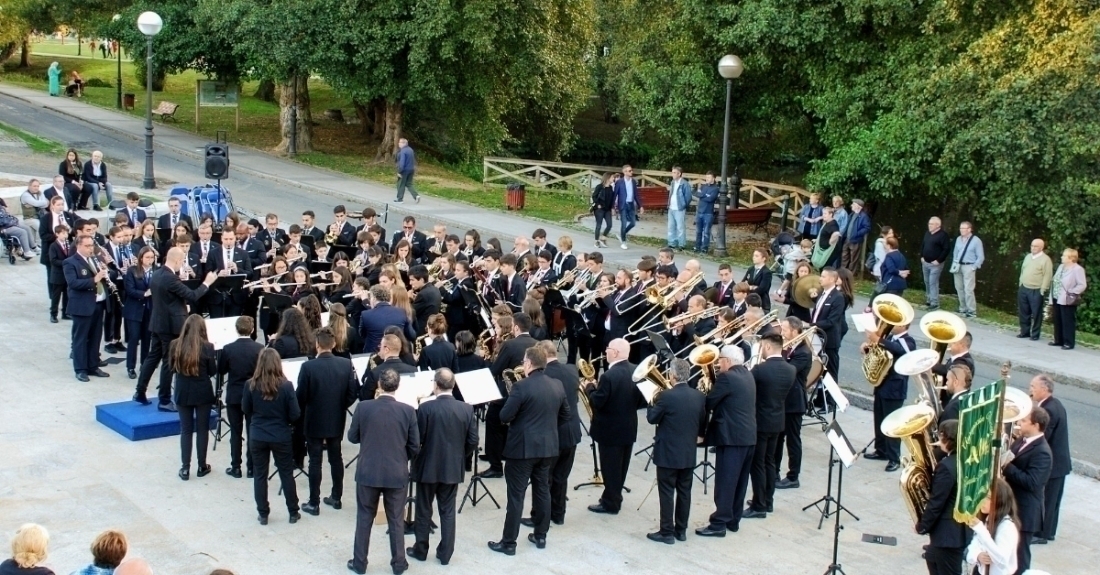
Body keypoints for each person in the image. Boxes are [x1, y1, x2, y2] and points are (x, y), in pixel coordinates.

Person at [489, 346, 570, 555]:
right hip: (548, 448)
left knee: (516, 497)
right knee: (542, 490)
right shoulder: (557, 385)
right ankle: (541, 535)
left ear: (528, 363)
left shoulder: (521, 387)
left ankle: (508, 543)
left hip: (522, 450)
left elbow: (505, 416)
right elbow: (565, 416)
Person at [347, 369, 420, 575]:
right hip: (396, 472)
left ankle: (359, 563)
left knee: (364, 517)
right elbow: (415, 446)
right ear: (397, 387)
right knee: (396, 519)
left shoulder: (364, 407)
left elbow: (352, 437)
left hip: (368, 470)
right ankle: (398, 564)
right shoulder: (407, 411)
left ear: (379, 384)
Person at [407, 368, 478, 565]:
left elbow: (417, 439)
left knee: (424, 509)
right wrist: (459, 456)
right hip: (452, 467)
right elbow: (472, 440)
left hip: (427, 466)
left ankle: (421, 549)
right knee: (447, 511)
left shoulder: (426, 408)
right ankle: (445, 553)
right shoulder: (466, 409)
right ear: (453, 385)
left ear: (436, 385)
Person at [134, 247, 217, 409]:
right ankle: (164, 400)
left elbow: (168, 298)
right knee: (168, 361)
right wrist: (207, 283)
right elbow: (192, 295)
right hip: (170, 326)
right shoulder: (171, 278)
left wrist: (180, 306)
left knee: (152, 358)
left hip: (158, 323)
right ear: (178, 260)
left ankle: (140, 391)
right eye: (182, 261)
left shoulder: (157, 273)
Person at [296, 327, 358, 516]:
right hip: (336, 417)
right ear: (333, 344)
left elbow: (301, 395)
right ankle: (336, 497)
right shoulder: (346, 364)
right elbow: (352, 393)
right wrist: (340, 405)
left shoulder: (308, 367)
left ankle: (314, 502)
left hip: (314, 418)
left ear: (317, 345)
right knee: (335, 458)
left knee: (315, 461)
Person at [645, 358, 706, 544]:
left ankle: (666, 532)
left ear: (672, 375)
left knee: (666, 492)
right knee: (684, 492)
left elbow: (652, 419)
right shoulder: (699, 396)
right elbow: (702, 422)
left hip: (667, 453)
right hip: (688, 453)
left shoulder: (665, 396)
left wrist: (650, 400)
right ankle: (681, 530)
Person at [697, 345, 756, 537]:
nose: (717, 363)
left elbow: (710, 401)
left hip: (731, 438)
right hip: (748, 437)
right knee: (740, 482)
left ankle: (718, 524)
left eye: (720, 359)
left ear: (728, 361)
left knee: (725, 482)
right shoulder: (747, 375)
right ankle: (732, 520)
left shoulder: (727, 377)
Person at [584, 338, 645, 514]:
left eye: (608, 348)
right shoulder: (636, 370)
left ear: (616, 353)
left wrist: (589, 387)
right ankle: (614, 496)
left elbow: (598, 402)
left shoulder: (608, 376)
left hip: (609, 429)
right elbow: (641, 401)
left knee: (610, 468)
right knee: (621, 467)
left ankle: (611, 503)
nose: (605, 351)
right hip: (628, 427)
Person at [242, 349, 302, 525]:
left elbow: (246, 409)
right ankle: (293, 511)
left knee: (260, 475)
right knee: (286, 473)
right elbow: (295, 413)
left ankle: (263, 513)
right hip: (280, 435)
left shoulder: (250, 385)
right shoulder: (286, 385)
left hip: (258, 434)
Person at [744, 333, 796, 519]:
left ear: (767, 347)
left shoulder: (760, 369)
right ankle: (768, 500)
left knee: (758, 465)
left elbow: (748, 389)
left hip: (760, 422)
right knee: (770, 463)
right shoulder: (790, 369)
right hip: (777, 421)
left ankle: (759, 504)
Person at [1001, 406, 1053, 575]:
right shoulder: (1022, 440)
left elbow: (1033, 482)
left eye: (1023, 421)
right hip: (1013, 508)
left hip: (1026, 513)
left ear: (1036, 425)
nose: (1019, 423)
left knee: (1020, 557)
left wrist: (1007, 466)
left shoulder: (1043, 452)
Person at [917, 420, 970, 575]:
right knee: (931, 557)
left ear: (948, 439)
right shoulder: (966, 458)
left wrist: (922, 525)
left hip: (948, 535)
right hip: (957, 530)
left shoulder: (946, 466)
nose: (939, 441)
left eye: (941, 437)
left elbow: (936, 502)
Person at [170, 315, 217, 481]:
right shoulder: (208, 347)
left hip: (183, 391)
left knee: (186, 429)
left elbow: (171, 368)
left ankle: (185, 467)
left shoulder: (175, 344)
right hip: (203, 391)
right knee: (203, 429)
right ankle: (202, 465)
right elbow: (212, 371)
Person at [862, 323, 915, 472]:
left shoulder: (908, 341)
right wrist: (868, 348)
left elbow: (901, 350)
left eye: (897, 323)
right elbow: (879, 353)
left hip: (895, 388)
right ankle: (881, 450)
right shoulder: (890, 337)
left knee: (892, 424)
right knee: (879, 419)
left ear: (904, 325)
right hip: (881, 383)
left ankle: (894, 458)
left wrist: (879, 340)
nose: (892, 325)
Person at [217, 316, 264, 479]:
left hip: (235, 395)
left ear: (236, 329)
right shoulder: (259, 348)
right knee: (252, 431)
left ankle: (235, 467)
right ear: (252, 330)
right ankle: (251, 467)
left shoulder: (228, 348)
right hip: (253, 394)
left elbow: (221, 370)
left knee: (235, 432)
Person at [63, 235, 111, 382]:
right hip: (82, 306)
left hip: (98, 303)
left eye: (92, 245)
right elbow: (73, 283)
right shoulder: (70, 262)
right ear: (79, 246)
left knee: (96, 337)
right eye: (87, 246)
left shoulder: (95, 259)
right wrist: (93, 280)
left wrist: (106, 272)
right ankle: (80, 369)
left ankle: (93, 365)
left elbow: (109, 276)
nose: (91, 249)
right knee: (81, 338)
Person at [1029, 374, 1070, 544]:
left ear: (1044, 389)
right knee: (1053, 500)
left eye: (1033, 386)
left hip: (1054, 465)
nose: (1030, 390)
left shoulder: (1049, 409)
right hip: (1060, 464)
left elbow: (1043, 436)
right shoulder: (1054, 404)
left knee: (1048, 499)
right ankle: (1049, 531)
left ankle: (1042, 534)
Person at [775, 317, 812, 489]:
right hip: (782, 399)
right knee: (777, 438)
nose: (782, 332)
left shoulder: (803, 352)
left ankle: (793, 476)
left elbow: (788, 371)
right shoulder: (788, 347)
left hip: (794, 402)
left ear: (795, 331)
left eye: (784, 329)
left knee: (793, 440)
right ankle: (774, 471)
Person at [965, 478, 1019, 575]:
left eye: (988, 497)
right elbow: (974, 545)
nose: (982, 500)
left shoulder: (1007, 526)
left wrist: (981, 529)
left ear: (999, 500)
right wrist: (977, 555)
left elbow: (1002, 561)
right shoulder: (988, 519)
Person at [122, 246, 156, 379]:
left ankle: (144, 363)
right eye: (147, 257)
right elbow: (129, 290)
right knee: (134, 338)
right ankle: (130, 367)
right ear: (141, 258)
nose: (150, 260)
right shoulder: (133, 271)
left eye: (152, 257)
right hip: (135, 310)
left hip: (150, 309)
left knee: (147, 338)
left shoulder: (156, 270)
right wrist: (145, 293)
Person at [810, 267, 848, 378]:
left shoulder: (838, 297)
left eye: (823, 276)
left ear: (832, 279)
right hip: (818, 336)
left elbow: (831, 321)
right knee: (818, 370)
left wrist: (810, 325)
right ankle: (821, 395)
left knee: (830, 372)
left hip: (829, 340)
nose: (820, 279)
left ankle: (829, 395)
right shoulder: (822, 293)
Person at [1049, 248, 1087, 350]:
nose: (1062, 257)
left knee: (1068, 320)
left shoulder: (1078, 269)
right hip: (1057, 296)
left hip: (1067, 298)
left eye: (1064, 256)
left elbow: (1082, 285)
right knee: (1057, 319)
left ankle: (1068, 342)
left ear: (1071, 258)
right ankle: (1058, 340)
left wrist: (1072, 292)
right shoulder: (1061, 267)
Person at [1016, 239, 1053, 340]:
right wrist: (1021, 283)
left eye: (1036, 246)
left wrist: (1043, 289)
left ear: (1041, 247)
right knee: (1023, 311)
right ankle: (1024, 331)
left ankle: (1035, 334)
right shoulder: (1028, 257)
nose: (1033, 248)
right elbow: (1023, 270)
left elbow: (1047, 275)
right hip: (1024, 287)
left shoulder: (1046, 260)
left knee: (1036, 313)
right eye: (1032, 245)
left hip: (1036, 289)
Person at [359, 285, 414, 353]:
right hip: (397, 353)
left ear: (374, 298)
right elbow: (412, 335)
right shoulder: (402, 312)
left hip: (374, 355)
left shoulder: (365, 314)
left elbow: (362, 334)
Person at [951, 221, 984, 318]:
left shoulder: (976, 241)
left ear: (969, 229)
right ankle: (962, 308)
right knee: (959, 287)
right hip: (958, 266)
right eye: (960, 228)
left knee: (968, 289)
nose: (961, 230)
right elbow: (955, 253)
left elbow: (981, 257)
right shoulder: (958, 239)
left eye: (963, 228)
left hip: (969, 266)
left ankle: (971, 310)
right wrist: (954, 264)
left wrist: (974, 267)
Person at [920, 217, 951, 310]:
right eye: (929, 224)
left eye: (931, 224)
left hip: (935, 264)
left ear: (938, 225)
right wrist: (921, 256)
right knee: (927, 281)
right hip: (925, 262)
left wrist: (939, 260)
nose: (929, 225)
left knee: (933, 282)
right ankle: (929, 299)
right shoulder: (927, 234)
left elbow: (946, 249)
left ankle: (935, 303)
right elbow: (923, 245)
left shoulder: (943, 235)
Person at [613, 164, 643, 249]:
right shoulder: (619, 182)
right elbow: (615, 195)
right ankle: (623, 242)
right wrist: (613, 207)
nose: (631, 172)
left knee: (633, 223)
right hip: (623, 204)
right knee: (624, 223)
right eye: (629, 171)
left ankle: (622, 233)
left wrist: (641, 206)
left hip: (631, 204)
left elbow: (636, 195)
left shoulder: (633, 181)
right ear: (624, 172)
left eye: (631, 170)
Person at [840, 199, 871, 272]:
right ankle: (842, 272)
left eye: (853, 204)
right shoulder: (852, 214)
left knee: (853, 259)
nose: (851, 205)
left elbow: (867, 228)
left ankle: (850, 274)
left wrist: (857, 234)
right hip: (847, 239)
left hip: (855, 241)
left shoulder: (864, 216)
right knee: (844, 256)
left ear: (858, 207)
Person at [666, 166, 692, 249]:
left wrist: (684, 205)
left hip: (679, 208)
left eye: (674, 172)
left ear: (679, 173)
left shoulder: (684, 183)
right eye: (672, 172)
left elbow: (688, 197)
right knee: (671, 226)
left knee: (680, 227)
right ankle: (672, 243)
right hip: (671, 207)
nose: (672, 174)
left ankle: (681, 244)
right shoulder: (673, 182)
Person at [693, 172, 719, 253]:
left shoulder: (715, 188)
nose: (707, 179)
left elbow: (711, 199)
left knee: (706, 232)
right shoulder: (703, 186)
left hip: (708, 212)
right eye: (706, 177)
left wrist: (703, 195)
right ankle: (697, 246)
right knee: (698, 231)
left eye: (709, 177)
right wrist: (706, 195)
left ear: (713, 178)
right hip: (699, 211)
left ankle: (704, 248)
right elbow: (697, 193)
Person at [590, 173, 617, 248]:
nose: (613, 179)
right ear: (608, 178)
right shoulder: (599, 187)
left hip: (607, 209)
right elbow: (594, 196)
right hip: (600, 209)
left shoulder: (611, 187)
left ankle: (603, 238)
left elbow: (611, 199)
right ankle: (596, 241)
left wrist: (612, 208)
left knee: (609, 225)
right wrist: (598, 204)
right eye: (612, 177)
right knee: (599, 225)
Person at [394, 138, 420, 203]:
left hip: (404, 170)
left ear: (404, 143)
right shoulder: (410, 150)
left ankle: (400, 199)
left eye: (400, 142)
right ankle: (416, 196)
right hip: (411, 169)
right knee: (409, 184)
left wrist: (400, 171)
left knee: (400, 184)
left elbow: (402, 162)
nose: (398, 144)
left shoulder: (403, 151)